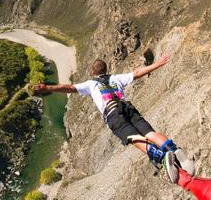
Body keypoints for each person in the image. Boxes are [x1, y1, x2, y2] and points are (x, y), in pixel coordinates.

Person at [33, 54, 195, 183]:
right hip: (127, 107)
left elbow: (69, 88)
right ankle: (175, 150)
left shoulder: (90, 84)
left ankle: (162, 157)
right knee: (150, 133)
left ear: (92, 72)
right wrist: (157, 64)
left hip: (113, 114)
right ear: (106, 69)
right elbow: (137, 73)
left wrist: (48, 87)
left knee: (134, 138)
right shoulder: (115, 78)